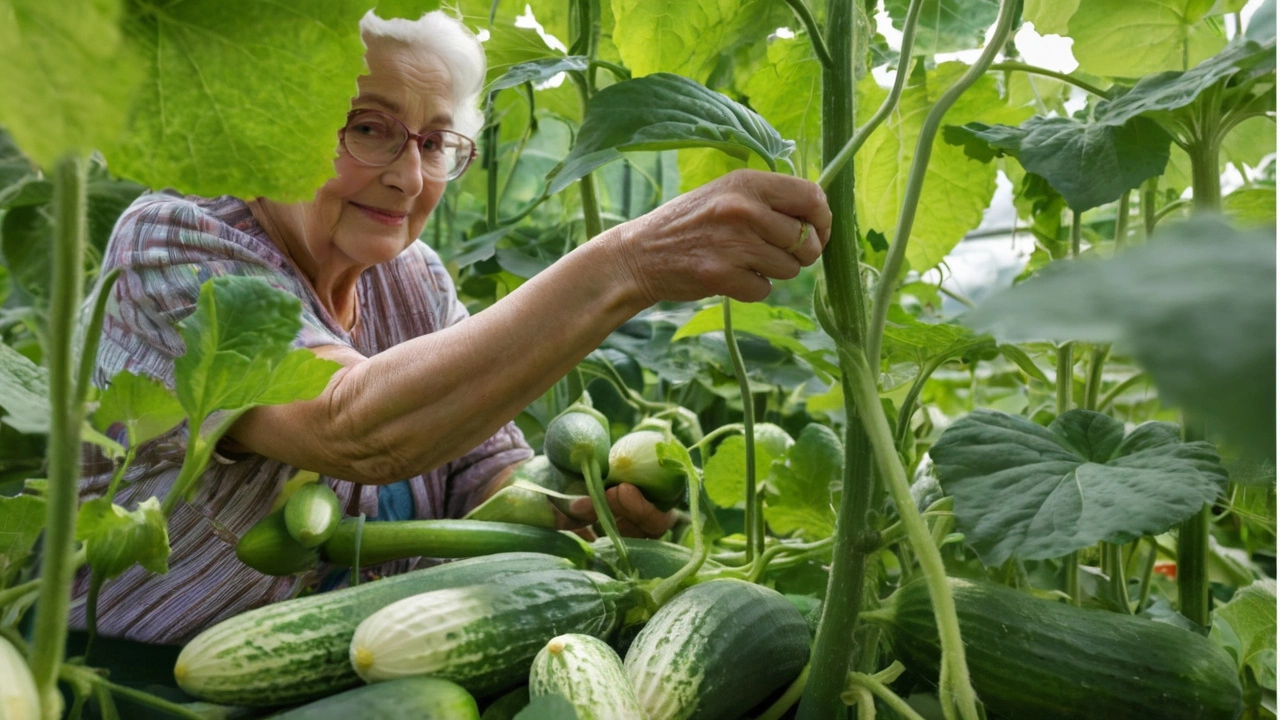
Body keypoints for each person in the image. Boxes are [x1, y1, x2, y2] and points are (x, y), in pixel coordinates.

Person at [70, 9, 831, 645]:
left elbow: (484, 472)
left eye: (434, 142)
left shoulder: (415, 275)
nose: (408, 177)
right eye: (369, 129)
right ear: (278, 120)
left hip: (373, 669)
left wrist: (576, 508)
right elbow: (349, 423)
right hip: (139, 681)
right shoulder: (171, 240)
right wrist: (628, 265)